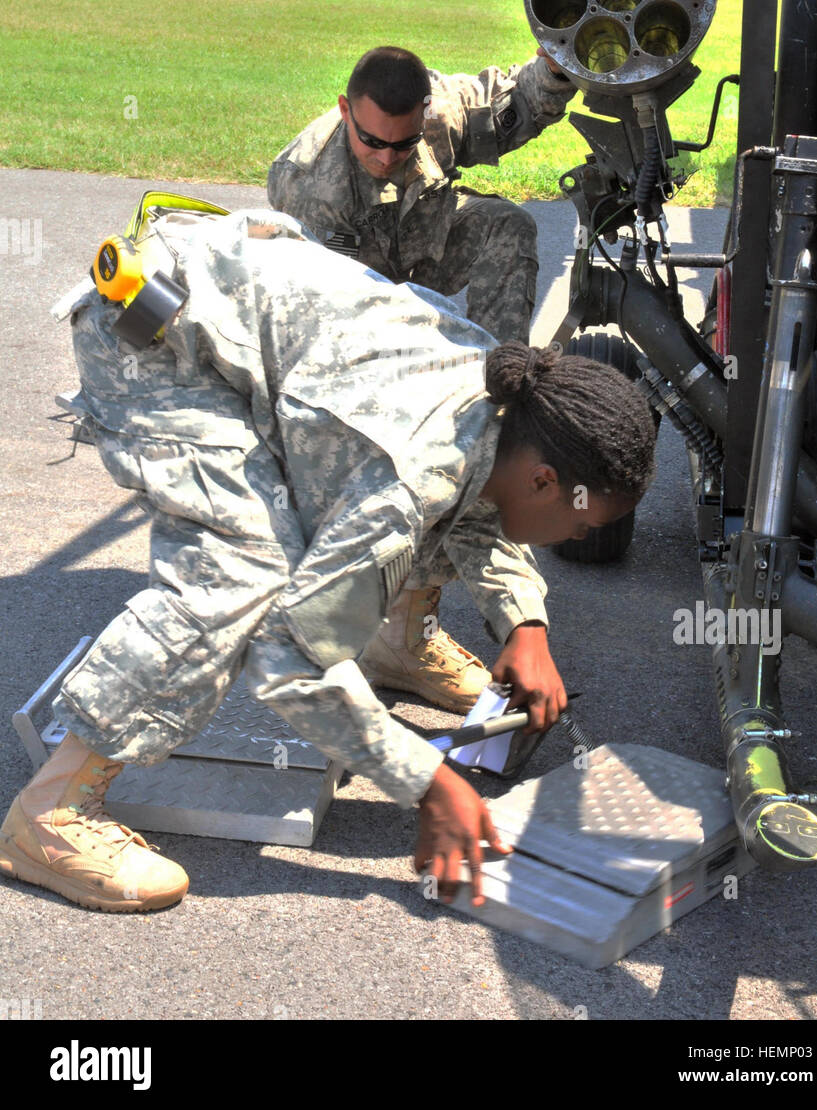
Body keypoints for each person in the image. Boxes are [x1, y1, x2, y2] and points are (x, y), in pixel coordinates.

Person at [0, 205, 656, 914]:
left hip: (230, 318)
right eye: (577, 522)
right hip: (153, 342)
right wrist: (429, 783)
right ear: (544, 480)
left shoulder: (508, 405)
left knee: (435, 518)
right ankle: (51, 812)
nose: (567, 541)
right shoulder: (410, 472)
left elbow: (476, 504)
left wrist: (524, 623)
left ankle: (395, 647)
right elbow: (290, 657)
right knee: (242, 572)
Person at [267, 45, 577, 713]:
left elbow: (515, 102)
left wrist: (557, 66)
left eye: (400, 145)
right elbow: (325, 325)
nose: (385, 157)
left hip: (419, 257)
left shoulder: (441, 114)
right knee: (414, 454)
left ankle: (503, 392)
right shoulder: (305, 181)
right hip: (349, 313)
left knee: (504, 227)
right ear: (345, 110)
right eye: (371, 141)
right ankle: (388, 630)